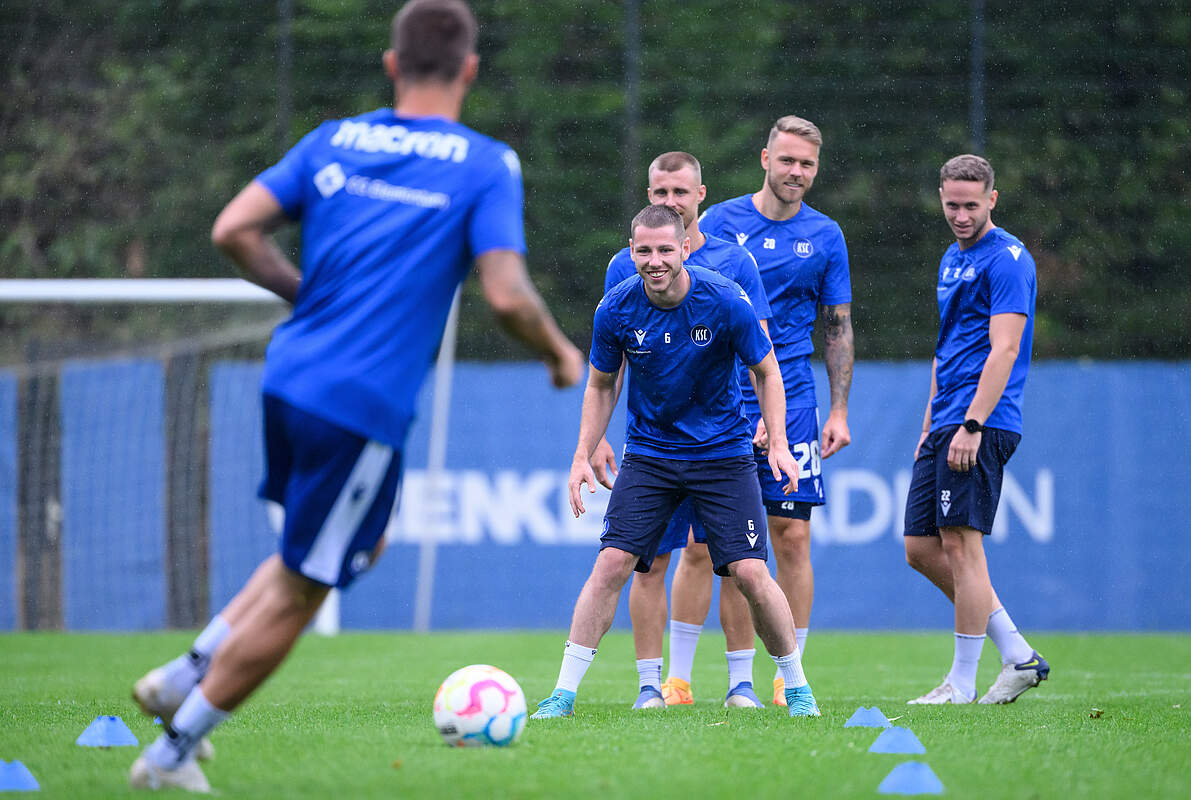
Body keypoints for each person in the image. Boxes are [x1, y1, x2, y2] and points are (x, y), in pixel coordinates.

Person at [127, 0, 582, 791]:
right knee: (309, 587)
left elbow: (233, 228)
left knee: (334, 549)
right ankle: (171, 751)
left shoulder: (333, 139)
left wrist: (305, 295)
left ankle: (184, 670)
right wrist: (559, 354)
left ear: (391, 64)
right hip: (360, 400)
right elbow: (507, 297)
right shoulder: (484, 164)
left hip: (290, 372)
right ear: (471, 70)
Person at [531, 204, 820, 721]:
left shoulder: (725, 300)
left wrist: (777, 442)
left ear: (686, 247)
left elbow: (768, 371)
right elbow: (600, 383)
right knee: (612, 564)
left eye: (666, 249)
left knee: (752, 572)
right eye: (644, 250)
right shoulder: (615, 308)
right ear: (632, 250)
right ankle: (563, 694)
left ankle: (796, 687)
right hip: (651, 455)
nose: (655, 260)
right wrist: (581, 452)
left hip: (723, 455)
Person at [590, 152, 773, 710]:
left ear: (700, 196)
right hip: (655, 436)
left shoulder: (734, 262)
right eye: (659, 192)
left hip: (725, 433)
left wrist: (768, 419)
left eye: (679, 193)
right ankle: (662, 683)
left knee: (725, 559)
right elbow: (609, 364)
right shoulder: (628, 263)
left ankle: (740, 682)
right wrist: (595, 437)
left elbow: (759, 347)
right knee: (648, 559)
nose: (669, 202)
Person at [692, 115, 854, 705]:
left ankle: (791, 676)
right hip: (726, 395)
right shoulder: (720, 222)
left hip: (797, 397)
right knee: (731, 545)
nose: (796, 172)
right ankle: (739, 682)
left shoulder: (827, 234)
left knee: (791, 537)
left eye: (807, 163)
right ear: (765, 158)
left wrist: (838, 410)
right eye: (787, 160)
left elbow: (836, 326)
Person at [903, 154, 1049, 705]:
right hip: (946, 421)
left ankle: (960, 684)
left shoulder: (1009, 259)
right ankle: (1017, 653)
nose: (960, 215)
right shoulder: (949, 257)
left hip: (979, 424)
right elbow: (949, 347)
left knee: (963, 548)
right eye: (951, 205)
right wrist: (930, 419)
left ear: (992, 199)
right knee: (920, 547)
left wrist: (971, 423)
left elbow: (1005, 347)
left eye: (970, 205)